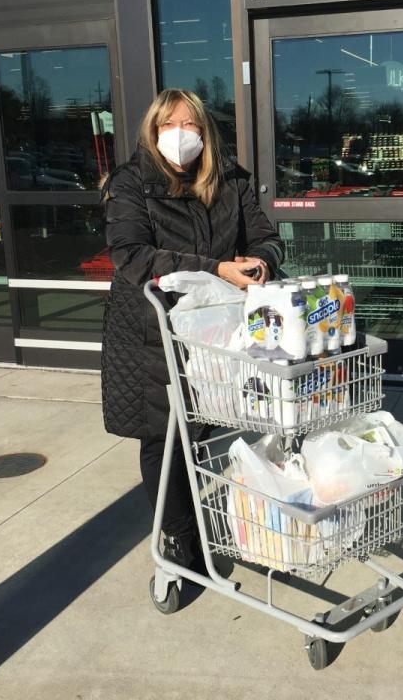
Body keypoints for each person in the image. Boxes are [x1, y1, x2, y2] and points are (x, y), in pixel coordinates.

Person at [100, 88, 283, 571]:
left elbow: (265, 236)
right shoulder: (132, 182)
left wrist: (260, 262)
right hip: (151, 332)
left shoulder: (231, 180)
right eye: (168, 126)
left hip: (213, 331)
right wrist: (217, 269)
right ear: (153, 131)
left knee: (201, 429)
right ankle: (179, 535)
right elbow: (131, 255)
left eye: (190, 126)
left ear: (205, 132)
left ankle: (204, 517)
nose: (179, 136)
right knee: (163, 436)